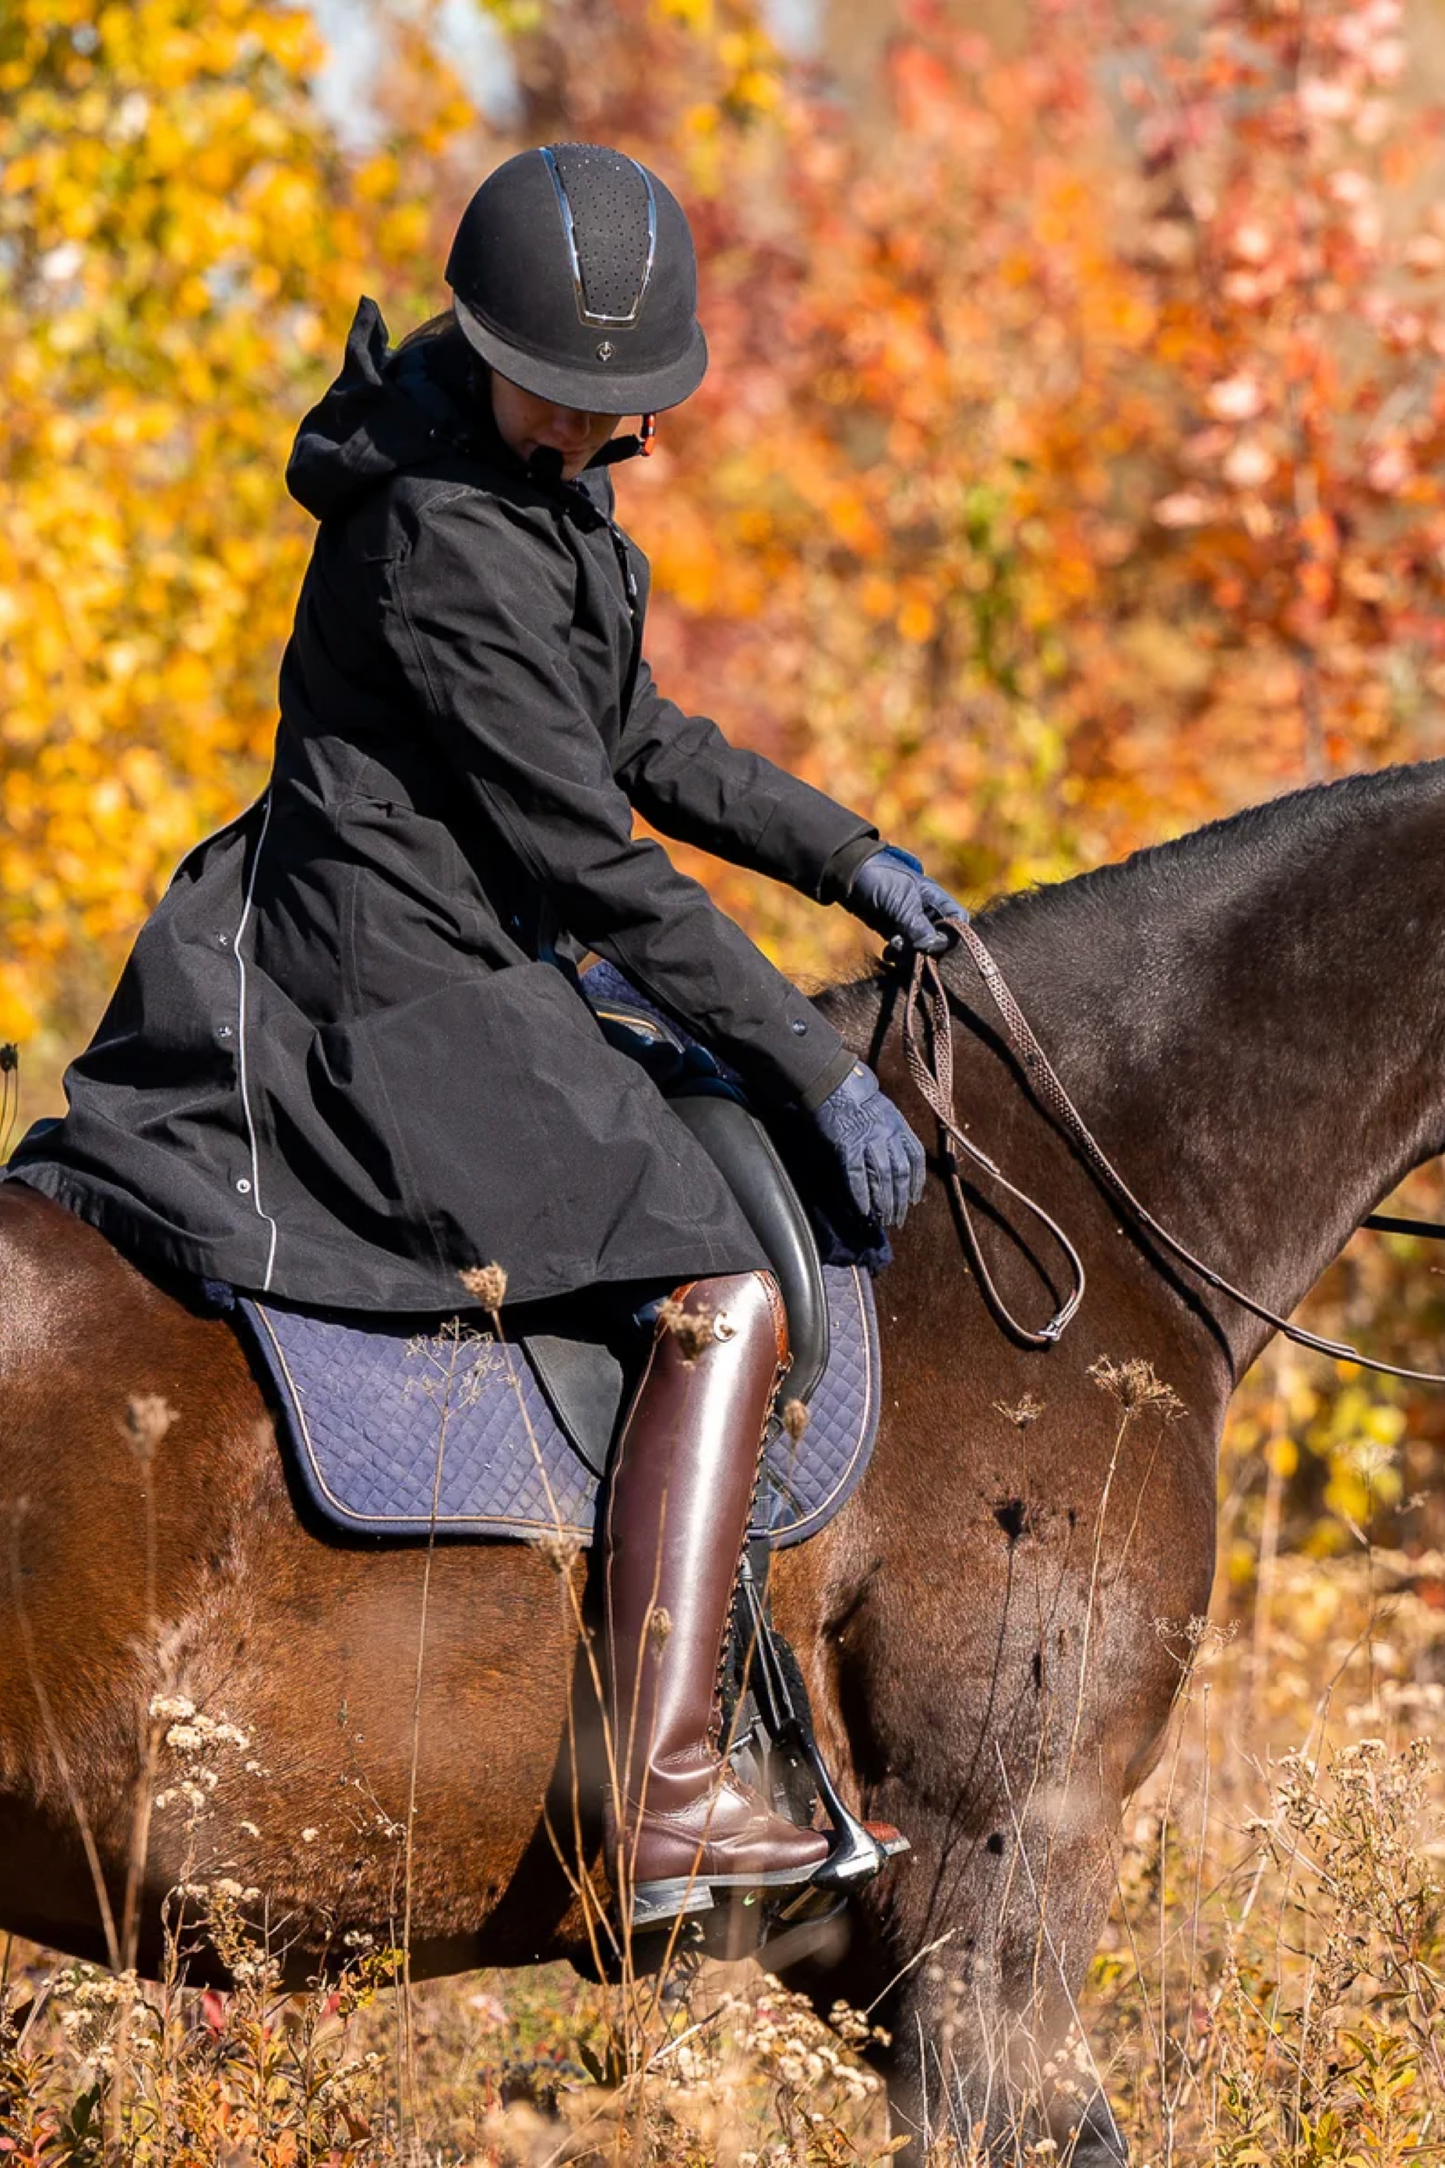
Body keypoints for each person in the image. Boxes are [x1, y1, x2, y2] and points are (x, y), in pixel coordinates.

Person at [4, 143, 963, 1923]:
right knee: (725, 1287)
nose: (591, 432)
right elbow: (591, 860)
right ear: (478, 339)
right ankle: (666, 1792)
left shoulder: (532, 486)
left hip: (469, 938)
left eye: (619, 412)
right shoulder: (444, 537)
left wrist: (850, 856)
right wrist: (819, 1065)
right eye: (562, 397)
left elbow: (643, 736)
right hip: (391, 983)